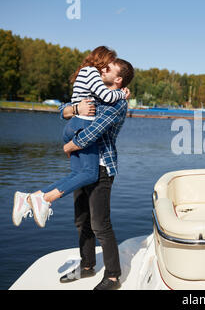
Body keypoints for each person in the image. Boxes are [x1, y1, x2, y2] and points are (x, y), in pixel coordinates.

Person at [12, 46, 129, 228]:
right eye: (107, 65)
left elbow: (66, 107)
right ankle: (44, 199)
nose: (105, 70)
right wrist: (122, 93)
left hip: (73, 126)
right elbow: (95, 124)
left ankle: (27, 198)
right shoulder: (93, 74)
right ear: (101, 60)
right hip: (82, 126)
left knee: (77, 174)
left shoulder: (85, 74)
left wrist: (73, 111)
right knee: (89, 174)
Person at [59, 58, 134, 290]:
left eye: (108, 69)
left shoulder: (118, 103)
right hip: (83, 166)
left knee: (100, 223)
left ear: (118, 79)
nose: (103, 69)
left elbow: (94, 131)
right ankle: (87, 265)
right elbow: (62, 109)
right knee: (81, 220)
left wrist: (70, 145)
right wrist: (74, 109)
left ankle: (113, 277)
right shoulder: (95, 94)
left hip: (101, 167)